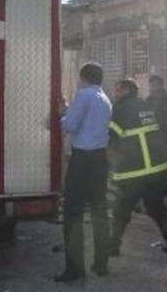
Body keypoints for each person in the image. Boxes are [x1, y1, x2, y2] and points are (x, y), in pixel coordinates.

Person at [109, 78, 167, 257]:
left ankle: (112, 247)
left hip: (134, 170)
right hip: (155, 169)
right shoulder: (145, 106)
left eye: (117, 90)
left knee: (121, 211)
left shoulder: (120, 109)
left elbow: (111, 135)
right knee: (157, 208)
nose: (115, 94)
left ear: (126, 90)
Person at [56, 63, 112, 282]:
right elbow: (88, 122)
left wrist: (62, 115)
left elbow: (70, 126)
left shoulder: (83, 95)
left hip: (82, 160)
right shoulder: (104, 98)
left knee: (73, 214)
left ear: (84, 78)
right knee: (99, 211)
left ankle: (74, 270)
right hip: (100, 159)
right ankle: (101, 263)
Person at [145, 75, 167, 213]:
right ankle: (158, 202)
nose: (153, 88)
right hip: (151, 143)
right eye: (151, 85)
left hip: (166, 141)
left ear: (161, 85)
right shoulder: (148, 100)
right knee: (154, 174)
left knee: (166, 173)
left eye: (155, 85)